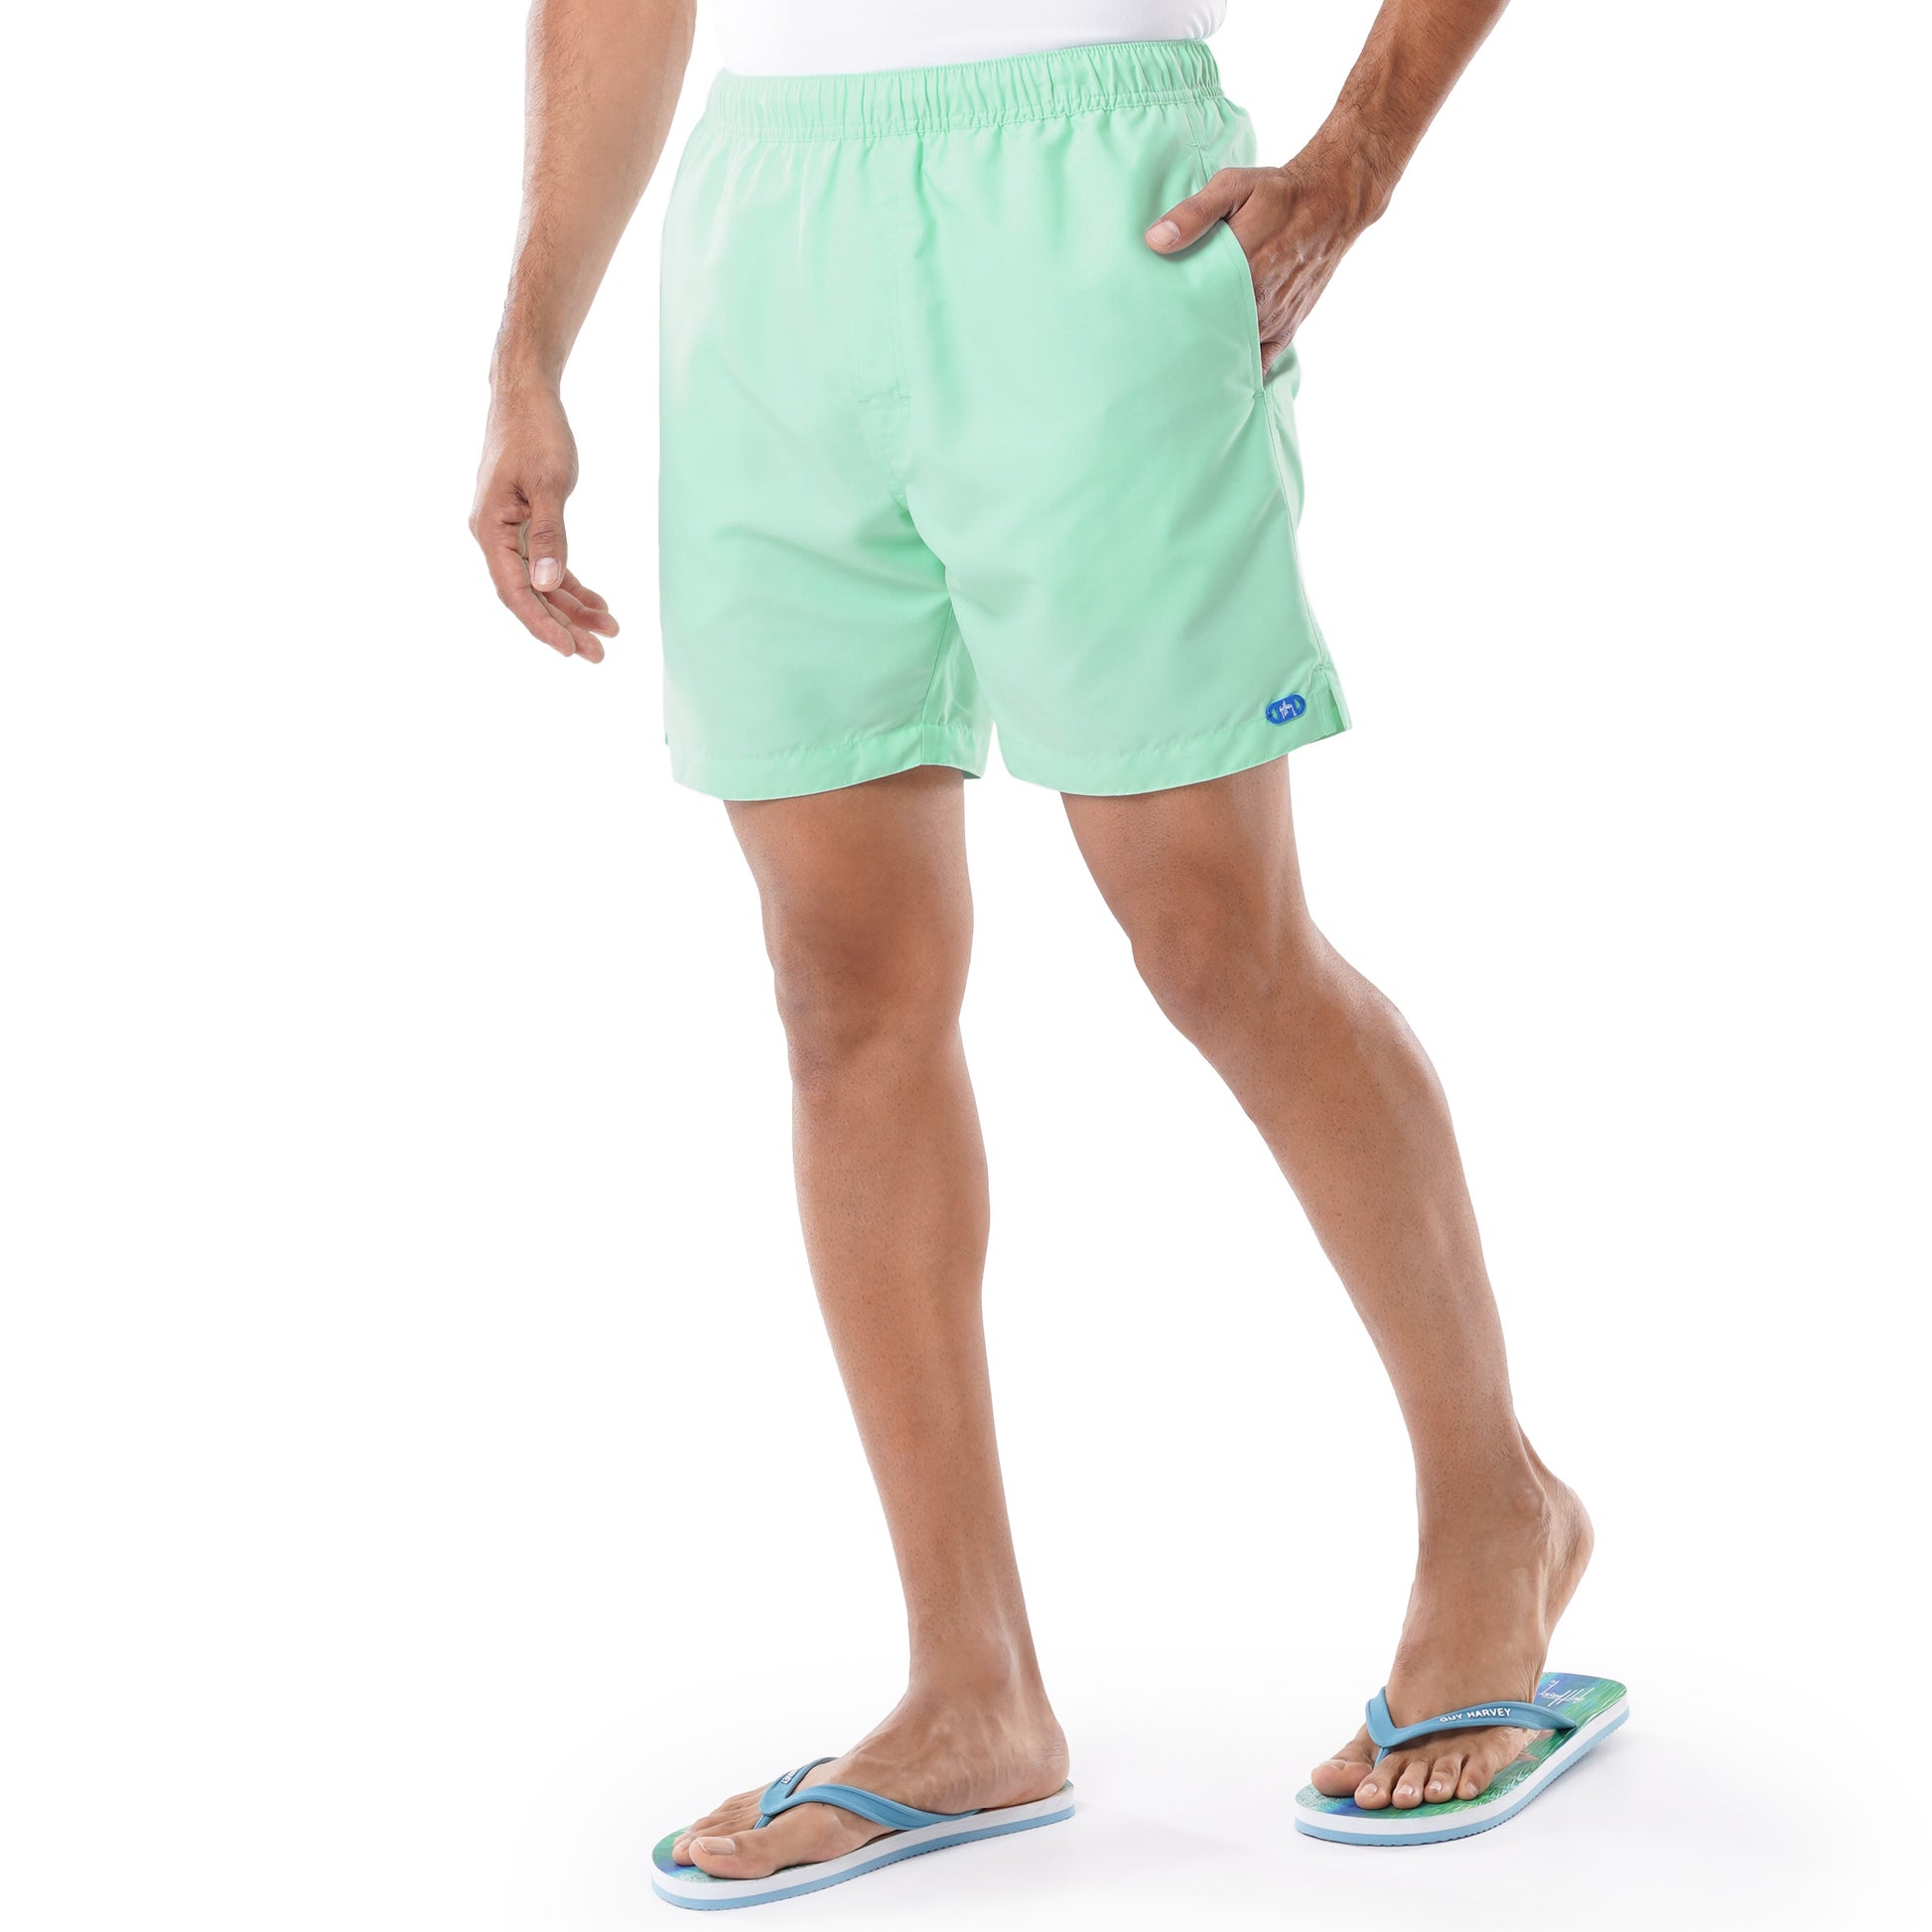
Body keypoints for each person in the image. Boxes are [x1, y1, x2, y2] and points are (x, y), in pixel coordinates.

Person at [472, 0, 1622, 1902]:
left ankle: (1496, 1509)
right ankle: (969, 1685)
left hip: (1092, 205)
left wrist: (1357, 160)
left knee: (1213, 939)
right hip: (763, 241)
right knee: (839, 987)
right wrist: (529, 343)